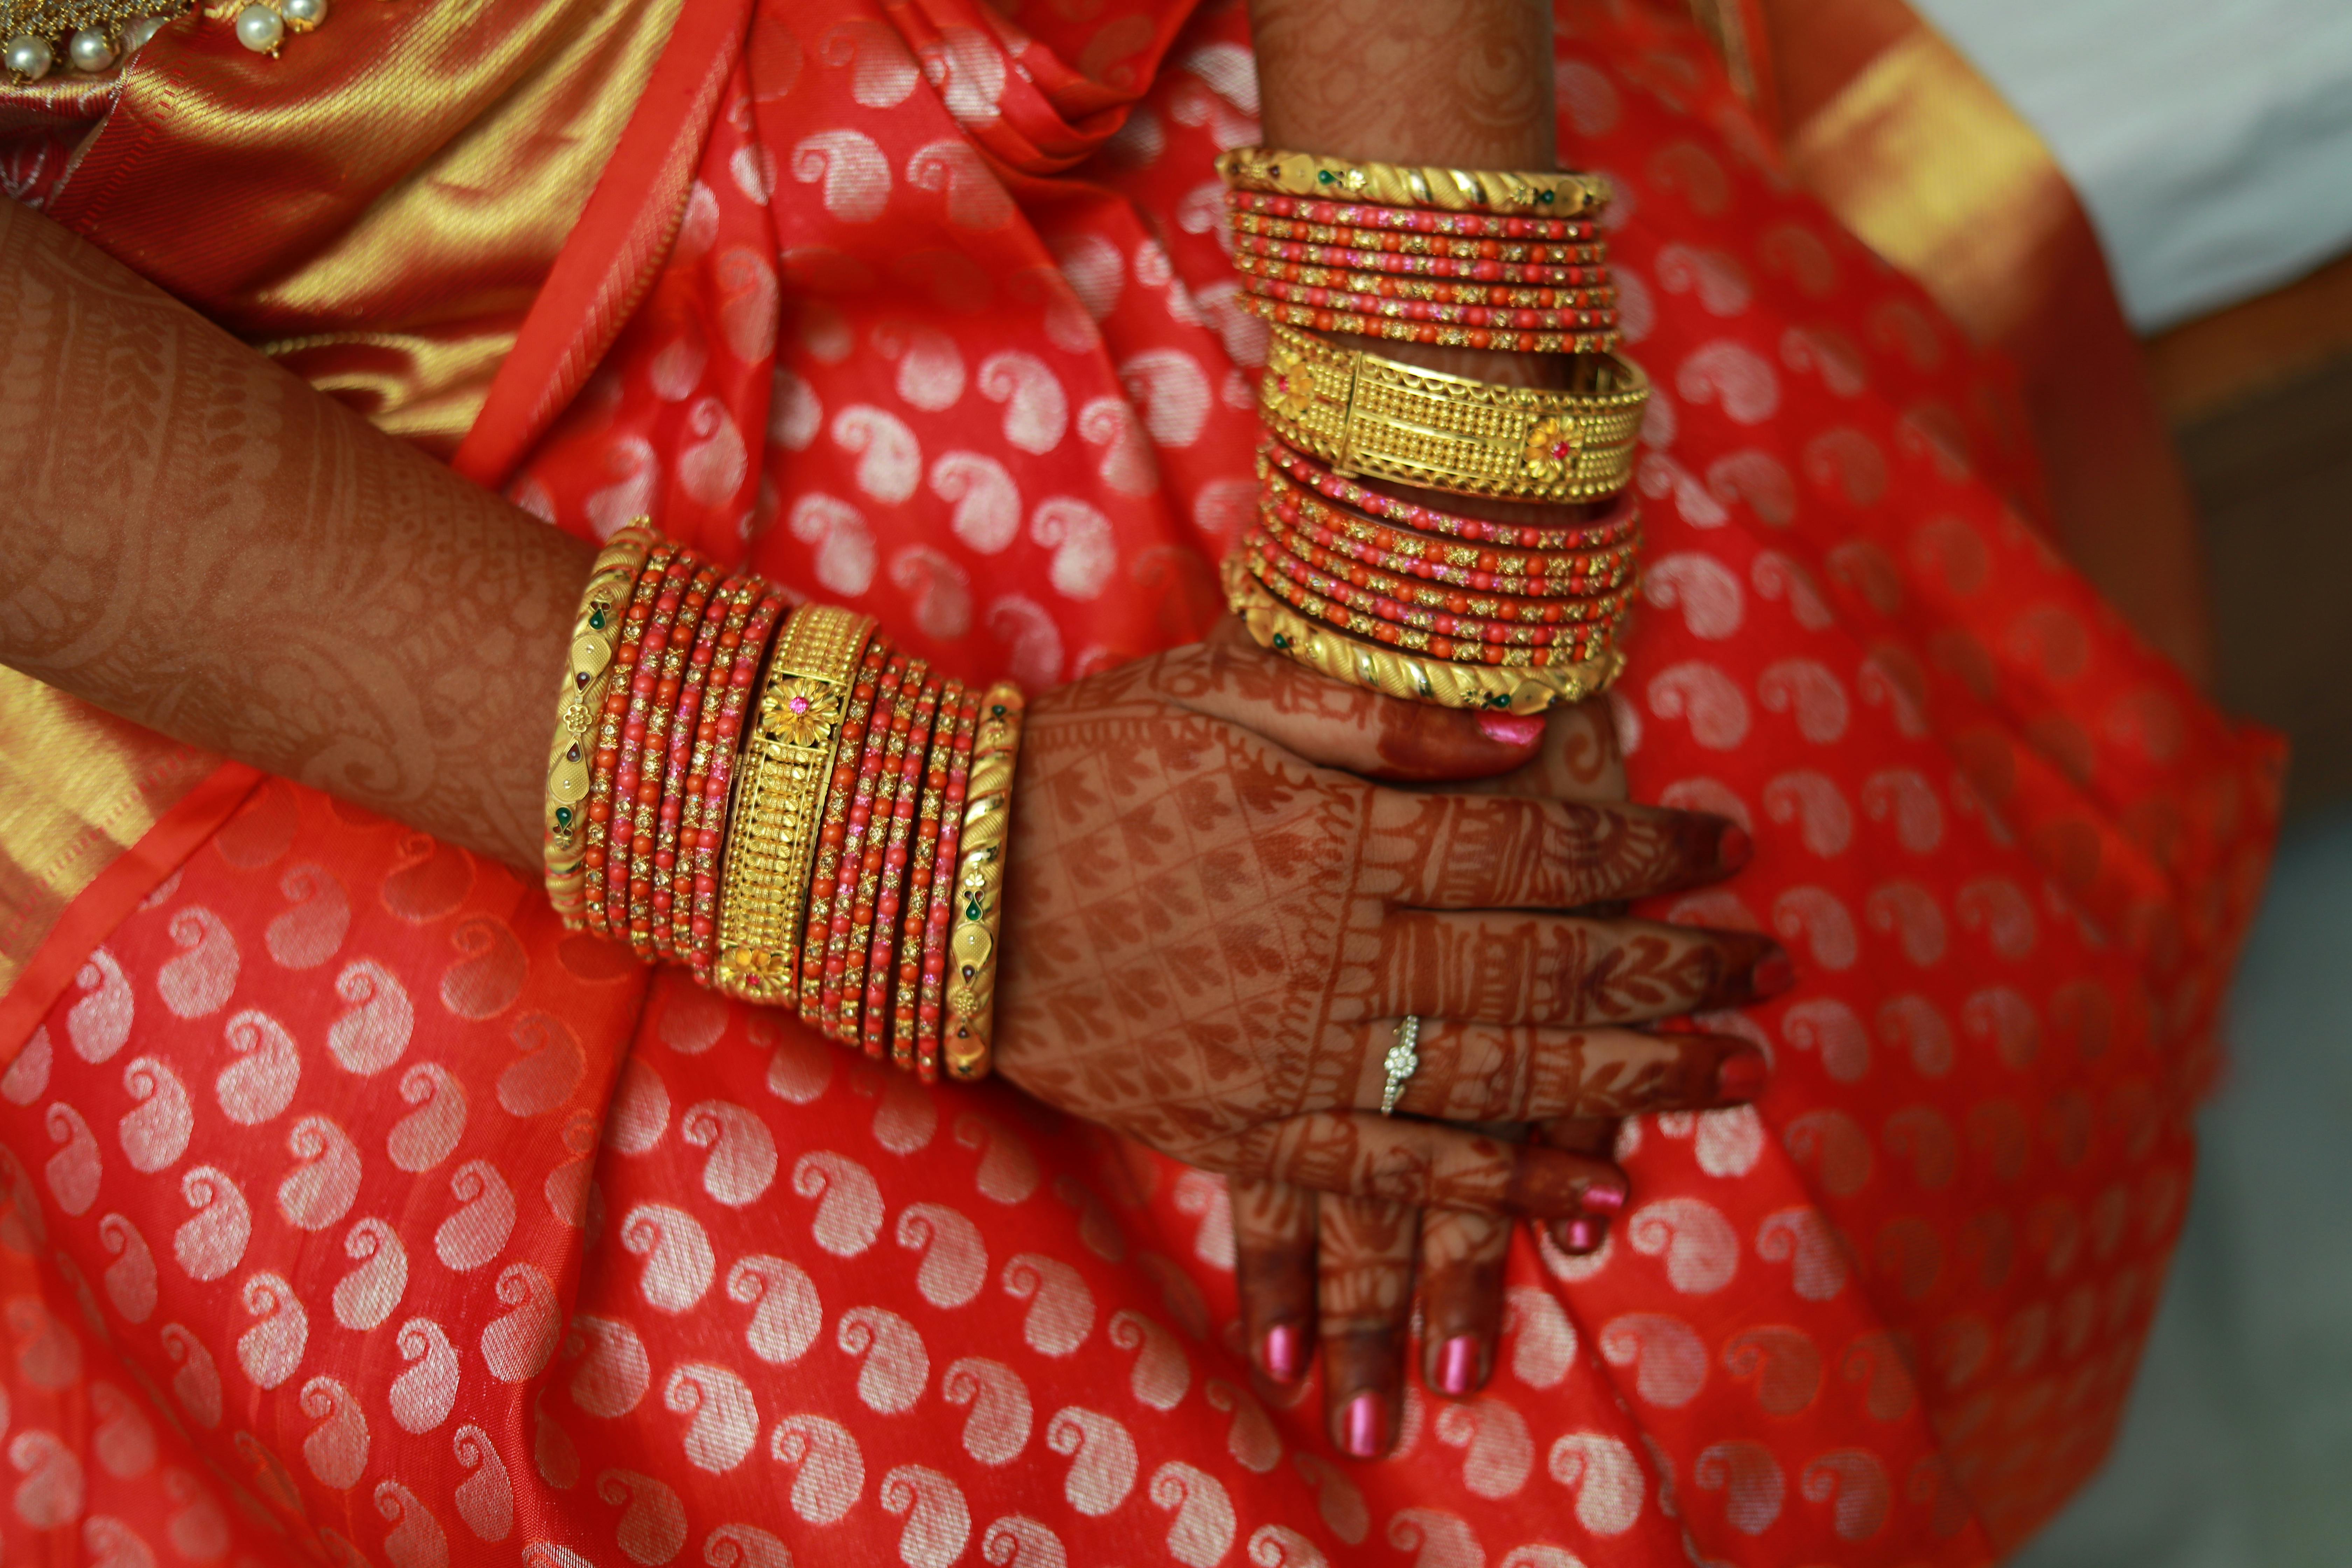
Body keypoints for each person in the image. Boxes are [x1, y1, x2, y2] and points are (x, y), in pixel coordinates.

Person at [0, 1, 2277, 1564]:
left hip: (1230, 110)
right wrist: (923, 854)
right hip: (268, 573)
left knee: (1771, 1058)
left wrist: (1434, 493)